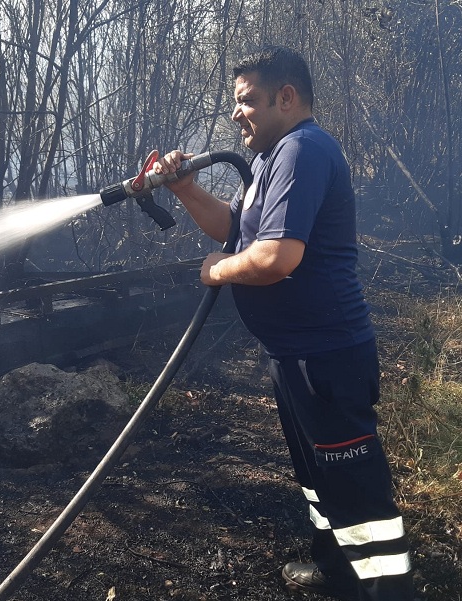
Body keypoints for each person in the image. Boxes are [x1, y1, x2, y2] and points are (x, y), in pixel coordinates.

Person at [153, 46, 413, 601]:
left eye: (246, 100)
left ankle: (387, 590)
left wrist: (215, 272)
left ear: (286, 97)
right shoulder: (273, 159)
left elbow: (275, 258)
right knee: (321, 479)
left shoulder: (304, 150)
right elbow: (235, 227)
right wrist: (183, 189)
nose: (234, 114)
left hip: (325, 356)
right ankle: (339, 572)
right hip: (294, 355)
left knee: (353, 488)